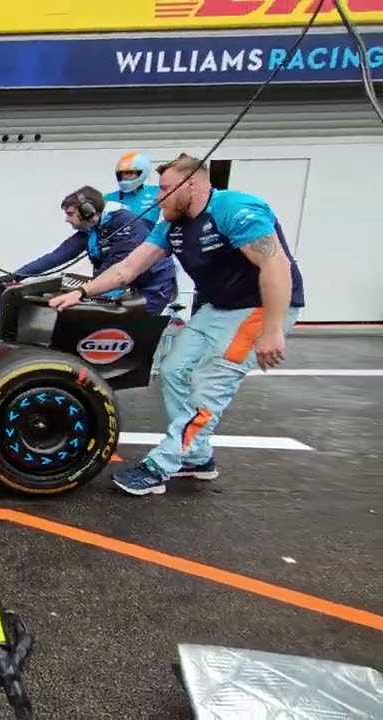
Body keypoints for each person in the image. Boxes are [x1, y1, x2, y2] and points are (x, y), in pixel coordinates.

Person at [49, 154, 304, 496]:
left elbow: (276, 267)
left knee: (209, 388)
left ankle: (161, 465)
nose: (157, 197)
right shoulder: (170, 223)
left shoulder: (238, 210)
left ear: (193, 185)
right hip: (220, 306)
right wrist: (81, 291)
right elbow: (128, 268)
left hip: (260, 307)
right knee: (173, 370)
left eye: (165, 189)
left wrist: (272, 330)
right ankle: (197, 458)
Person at [5, 186, 177, 314]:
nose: (67, 219)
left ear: (87, 211)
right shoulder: (91, 229)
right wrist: (17, 275)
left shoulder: (124, 224)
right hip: (130, 285)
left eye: (70, 214)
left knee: (124, 332)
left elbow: (114, 268)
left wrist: (81, 293)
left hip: (154, 287)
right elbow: (57, 256)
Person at [105, 152, 161, 231]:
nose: (125, 176)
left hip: (148, 240)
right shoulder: (108, 198)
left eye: (130, 173)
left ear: (141, 173)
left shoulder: (157, 192)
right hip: (119, 240)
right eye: (122, 173)